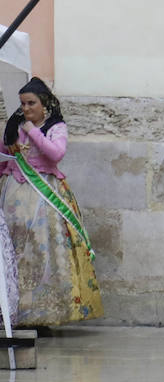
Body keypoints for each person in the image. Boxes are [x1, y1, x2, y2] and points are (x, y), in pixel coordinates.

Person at [0, 78, 103, 326]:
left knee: (40, 251)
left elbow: (56, 154)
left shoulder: (55, 128)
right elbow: (5, 158)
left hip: (44, 194)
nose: (26, 108)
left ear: (44, 104)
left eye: (31, 103)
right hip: (14, 191)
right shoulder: (14, 126)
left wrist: (32, 130)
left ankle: (42, 313)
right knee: (12, 251)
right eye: (23, 103)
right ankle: (13, 311)